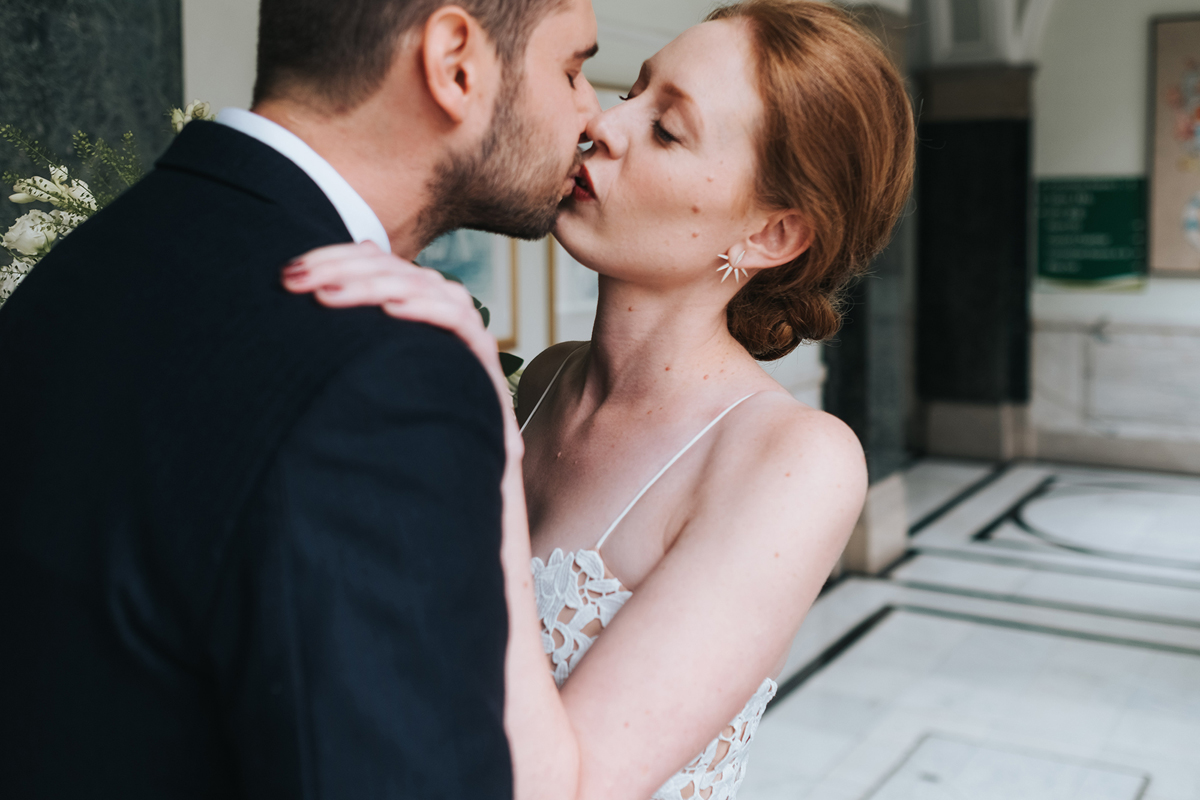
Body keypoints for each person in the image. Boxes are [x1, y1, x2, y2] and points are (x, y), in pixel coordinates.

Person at [282, 2, 916, 799]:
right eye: (634, 92)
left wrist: (478, 432)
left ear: (771, 234)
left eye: (667, 129)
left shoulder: (796, 462)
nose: (605, 124)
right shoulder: (544, 379)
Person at [0, 0, 600, 797]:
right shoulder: (382, 373)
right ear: (456, 62)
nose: (593, 114)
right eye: (572, 70)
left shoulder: (84, 265)